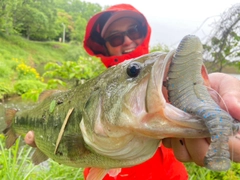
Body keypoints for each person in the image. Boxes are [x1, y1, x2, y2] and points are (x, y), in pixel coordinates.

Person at [25, 3, 240, 180]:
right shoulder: (96, 91)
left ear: (144, 33)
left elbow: (196, 93)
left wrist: (220, 102)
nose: (127, 40)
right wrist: (45, 142)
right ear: (105, 46)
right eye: (116, 38)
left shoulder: (164, 83)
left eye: (133, 31)